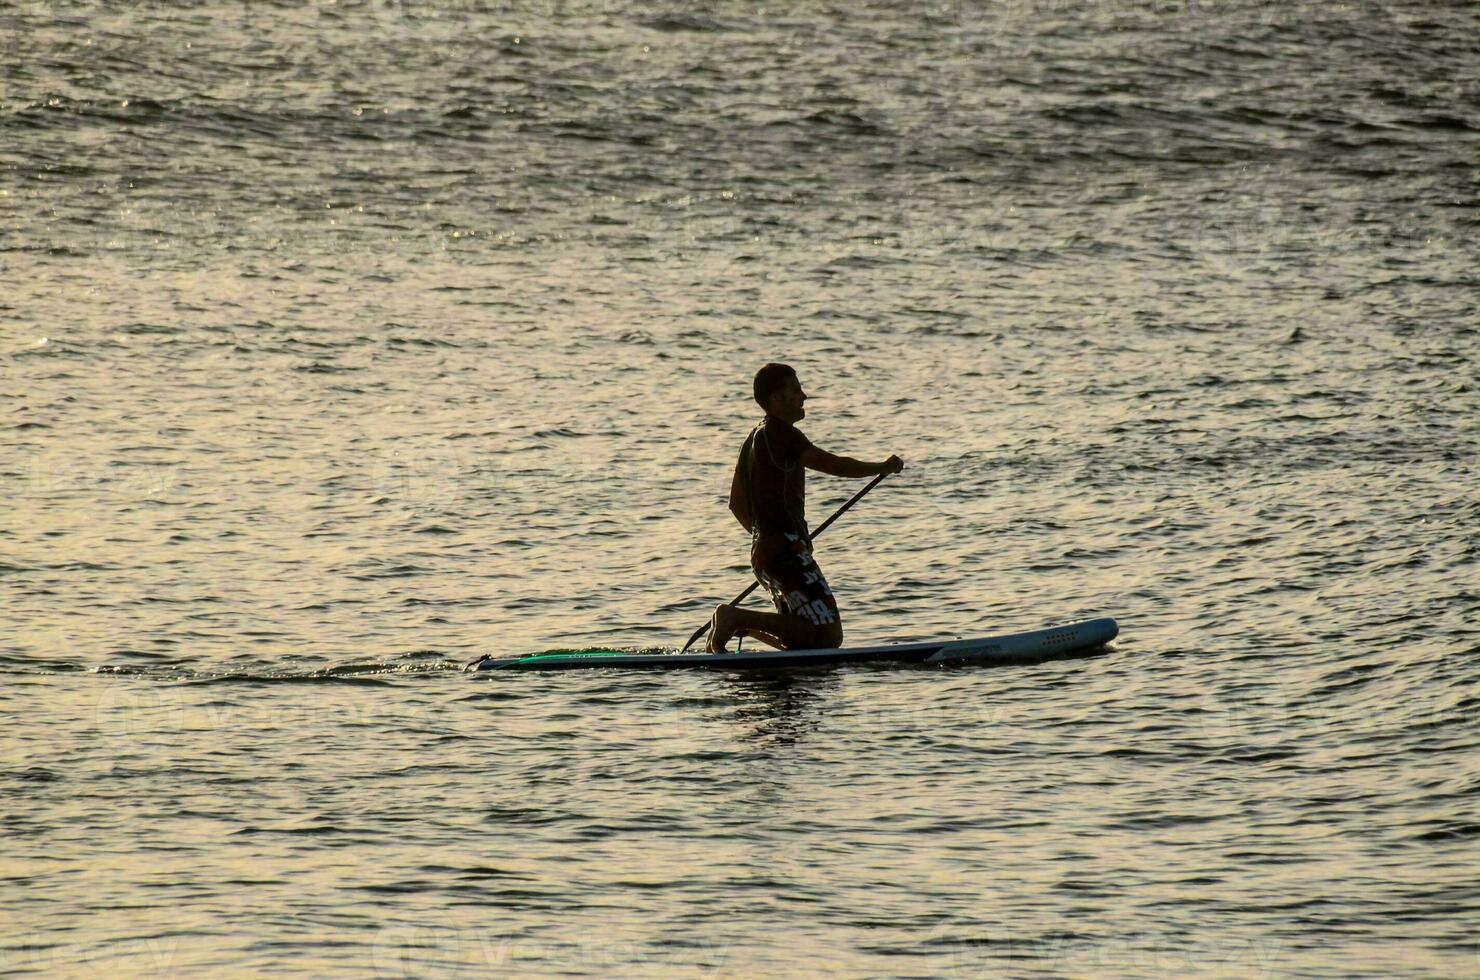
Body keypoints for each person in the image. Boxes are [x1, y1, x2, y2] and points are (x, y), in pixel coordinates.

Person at [708, 363, 904, 653]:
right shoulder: (780, 433)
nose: (804, 396)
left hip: (766, 550)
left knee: (803, 637)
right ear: (776, 399)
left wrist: (767, 538)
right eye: (796, 390)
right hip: (783, 550)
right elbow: (832, 464)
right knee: (827, 634)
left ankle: (743, 626)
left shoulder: (752, 439)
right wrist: (881, 467)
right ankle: (734, 618)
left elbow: (736, 505)